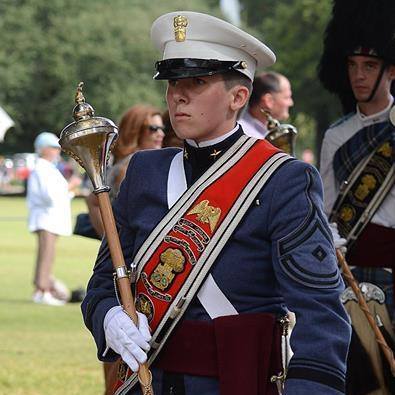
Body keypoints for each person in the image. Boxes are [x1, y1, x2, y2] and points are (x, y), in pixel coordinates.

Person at [81, 11, 350, 395]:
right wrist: (108, 316)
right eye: (173, 82)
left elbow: (320, 311)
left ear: (238, 96)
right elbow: (103, 283)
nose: (178, 95)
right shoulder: (145, 171)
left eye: (197, 81)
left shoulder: (283, 179)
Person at [319, 0, 395, 393]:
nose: (358, 76)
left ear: (391, 70)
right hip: (353, 278)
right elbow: (329, 209)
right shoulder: (336, 135)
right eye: (352, 65)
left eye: (369, 66)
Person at [85, 104, 165, 394]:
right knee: (122, 369)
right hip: (127, 275)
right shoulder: (132, 166)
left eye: (161, 128)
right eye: (152, 128)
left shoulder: (147, 163)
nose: (160, 134)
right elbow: (94, 202)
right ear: (135, 130)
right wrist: (113, 240)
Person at [27, 132, 80, 305]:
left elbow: (58, 196)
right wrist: (69, 186)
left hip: (51, 219)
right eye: (54, 148)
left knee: (47, 255)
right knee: (46, 256)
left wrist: (69, 191)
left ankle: (41, 289)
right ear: (44, 149)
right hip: (46, 219)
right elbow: (49, 196)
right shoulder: (42, 169)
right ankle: (43, 292)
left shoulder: (48, 168)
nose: (58, 151)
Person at [238, 71, 294, 139]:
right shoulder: (246, 136)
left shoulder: (241, 130)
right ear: (268, 101)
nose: (291, 103)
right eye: (287, 97)